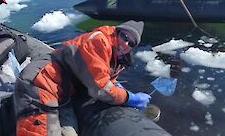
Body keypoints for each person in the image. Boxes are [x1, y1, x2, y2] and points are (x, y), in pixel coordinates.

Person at [14, 20, 151, 136]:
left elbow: (103, 76)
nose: (126, 43)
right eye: (125, 37)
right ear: (117, 32)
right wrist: (129, 97)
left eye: (131, 43)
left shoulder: (116, 57)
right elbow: (101, 88)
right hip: (42, 82)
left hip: (63, 92)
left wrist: (116, 87)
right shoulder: (99, 41)